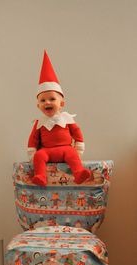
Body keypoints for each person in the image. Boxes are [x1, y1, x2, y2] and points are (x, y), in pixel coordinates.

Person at [28, 50, 91, 186]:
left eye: (52, 99)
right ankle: (40, 176)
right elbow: (33, 138)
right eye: (43, 100)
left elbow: (77, 132)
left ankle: (79, 173)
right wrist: (32, 151)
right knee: (39, 156)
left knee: (72, 154)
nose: (47, 102)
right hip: (47, 151)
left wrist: (79, 147)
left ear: (61, 104)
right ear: (38, 105)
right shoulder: (39, 123)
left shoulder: (67, 119)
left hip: (65, 149)